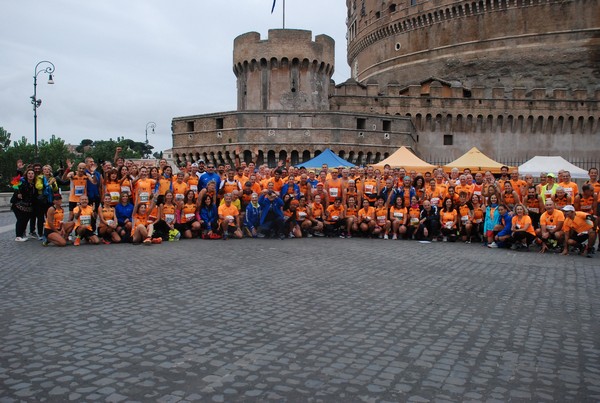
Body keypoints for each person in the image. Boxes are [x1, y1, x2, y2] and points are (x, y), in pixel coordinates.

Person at [12, 168, 37, 242]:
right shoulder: (23, 182)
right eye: (29, 173)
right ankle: (18, 236)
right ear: (26, 174)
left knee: (25, 220)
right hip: (18, 204)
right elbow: (15, 183)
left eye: (32, 173)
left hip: (27, 206)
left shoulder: (34, 184)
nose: (30, 175)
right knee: (20, 219)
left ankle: (22, 234)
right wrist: (18, 193)